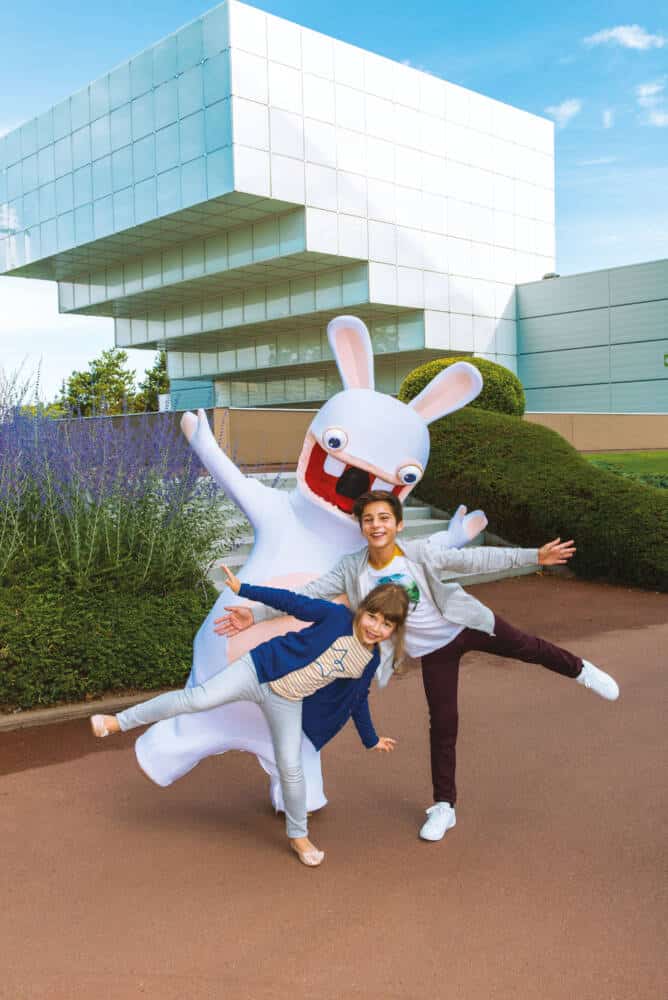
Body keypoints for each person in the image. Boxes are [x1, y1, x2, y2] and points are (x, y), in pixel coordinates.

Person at [216, 490, 620, 843]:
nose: (376, 525)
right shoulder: (351, 569)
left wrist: (534, 556)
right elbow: (307, 594)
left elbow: (476, 560)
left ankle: (583, 671)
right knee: (444, 722)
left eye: (384, 518)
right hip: (434, 652)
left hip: (467, 623)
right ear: (362, 527)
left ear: (398, 524)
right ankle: (445, 806)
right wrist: (258, 612)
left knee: (529, 647)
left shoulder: (419, 553)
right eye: (369, 519)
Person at [91, 566, 408, 867]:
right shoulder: (337, 616)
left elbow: (357, 699)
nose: (375, 628)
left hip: (287, 700)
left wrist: (370, 738)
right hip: (258, 669)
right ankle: (116, 721)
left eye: (386, 625)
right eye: (373, 616)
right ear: (362, 609)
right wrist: (245, 589)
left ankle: (299, 837)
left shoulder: (370, 659)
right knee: (197, 699)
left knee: (292, 767)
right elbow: (292, 602)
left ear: (394, 630)